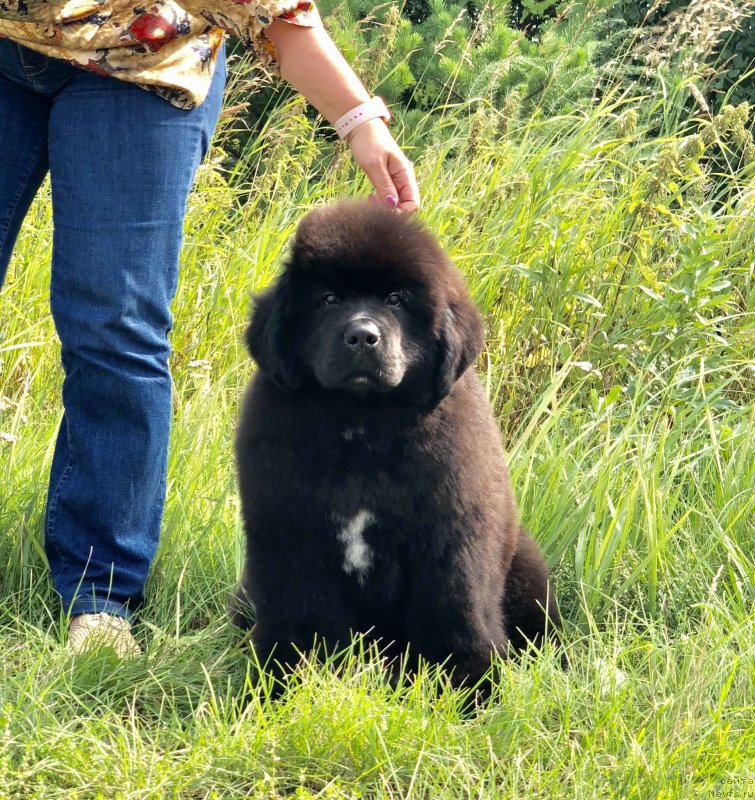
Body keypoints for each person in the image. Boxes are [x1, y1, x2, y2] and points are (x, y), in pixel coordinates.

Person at [0, 0, 420, 656]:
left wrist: (358, 120)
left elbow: (273, 11)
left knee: (115, 325)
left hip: (145, 65)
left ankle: (100, 596)